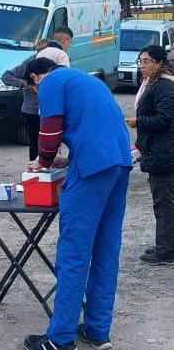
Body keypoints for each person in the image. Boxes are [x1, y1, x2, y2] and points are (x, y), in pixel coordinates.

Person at [22, 58, 131, 350]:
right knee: (107, 250)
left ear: (35, 77)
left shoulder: (51, 83)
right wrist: (68, 159)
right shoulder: (89, 80)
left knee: (74, 254)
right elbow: (99, 127)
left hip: (92, 171)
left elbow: (49, 132)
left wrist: (42, 162)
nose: (35, 95)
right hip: (119, 163)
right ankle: (97, 330)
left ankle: (59, 339)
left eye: (31, 89)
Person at [125, 45, 174, 265]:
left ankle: (166, 251)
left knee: (164, 202)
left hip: (164, 153)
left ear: (158, 63)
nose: (142, 66)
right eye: (140, 62)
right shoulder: (155, 84)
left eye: (146, 61)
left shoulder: (163, 86)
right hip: (158, 150)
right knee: (163, 201)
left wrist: (138, 122)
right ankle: (165, 245)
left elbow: (165, 119)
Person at [0, 38, 49, 161]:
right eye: (39, 51)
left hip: (48, 110)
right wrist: (26, 84)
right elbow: (6, 76)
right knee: (34, 142)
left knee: (48, 142)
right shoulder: (29, 63)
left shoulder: (53, 64)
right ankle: (35, 169)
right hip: (31, 110)